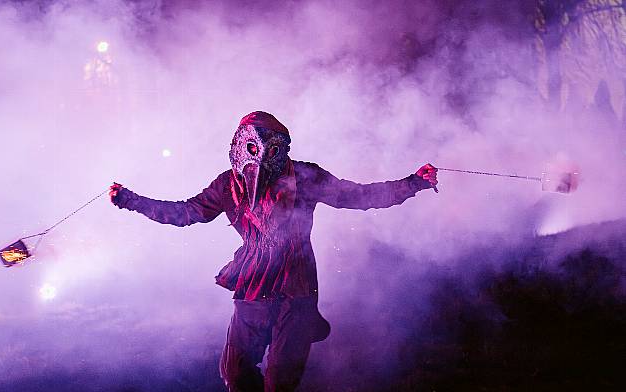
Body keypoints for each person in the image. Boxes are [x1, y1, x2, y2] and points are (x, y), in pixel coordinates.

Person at [109, 111, 438, 392]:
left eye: (273, 150)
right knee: (235, 373)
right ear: (241, 146)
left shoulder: (306, 178)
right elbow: (185, 213)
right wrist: (131, 200)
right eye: (254, 147)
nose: (262, 158)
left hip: (297, 291)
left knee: (280, 382)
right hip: (253, 285)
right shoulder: (227, 185)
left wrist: (413, 182)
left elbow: (359, 196)